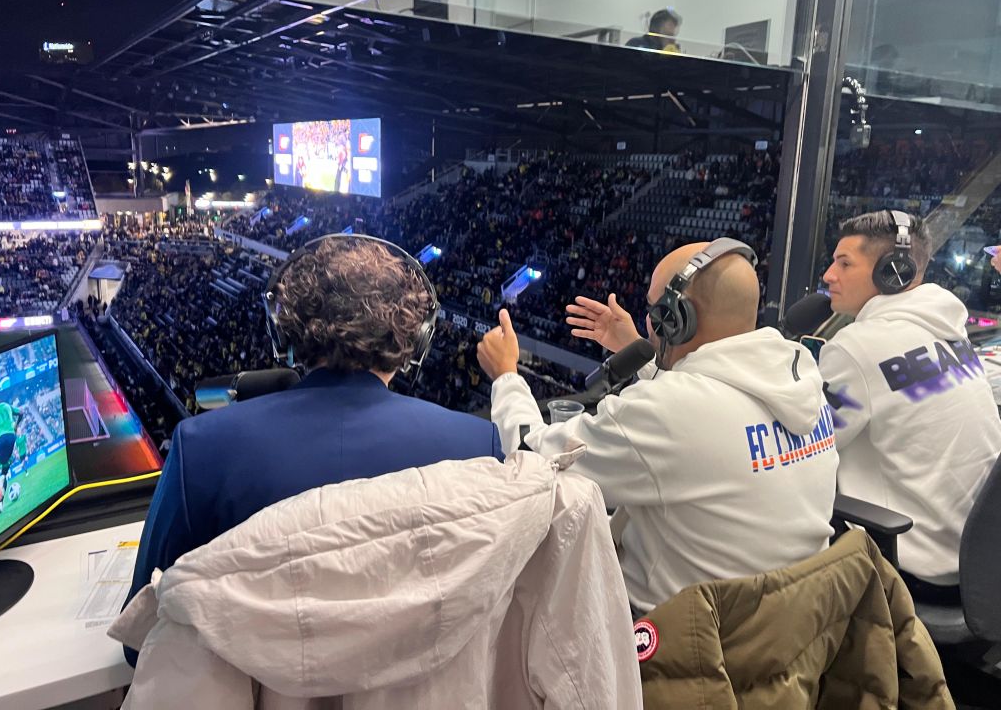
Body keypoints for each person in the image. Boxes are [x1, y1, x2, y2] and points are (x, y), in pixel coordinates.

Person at [125, 235, 503, 664]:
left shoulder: (200, 447)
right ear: (416, 339)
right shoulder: (478, 445)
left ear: (285, 330)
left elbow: (140, 638)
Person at [478, 239, 838, 615]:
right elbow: (706, 400)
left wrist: (506, 376)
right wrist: (634, 345)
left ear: (677, 320)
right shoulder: (802, 379)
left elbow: (530, 456)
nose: (651, 322)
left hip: (678, 633)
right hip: (785, 624)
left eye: (655, 310)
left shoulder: (670, 410)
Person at [820, 210, 1001, 599]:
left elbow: (809, 450)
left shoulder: (856, 348)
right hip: (981, 562)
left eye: (844, 263)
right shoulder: (951, 333)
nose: (828, 275)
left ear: (892, 272)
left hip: (914, 567)